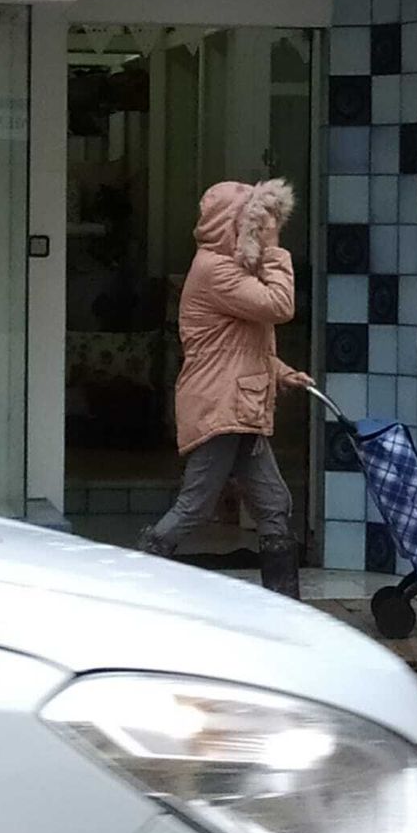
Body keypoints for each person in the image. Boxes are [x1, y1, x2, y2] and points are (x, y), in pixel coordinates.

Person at [138, 178, 313, 598]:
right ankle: (134, 579)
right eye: (252, 223)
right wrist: (274, 249)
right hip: (223, 408)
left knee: (274, 505)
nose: (260, 231)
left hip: (238, 406)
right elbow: (279, 306)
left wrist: (280, 371)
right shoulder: (214, 271)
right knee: (195, 506)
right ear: (230, 224)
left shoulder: (223, 268)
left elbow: (233, 345)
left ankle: (286, 609)